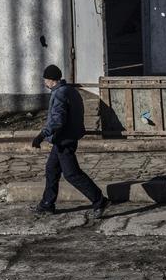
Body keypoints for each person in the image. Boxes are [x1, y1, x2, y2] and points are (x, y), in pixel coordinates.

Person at [31, 64, 109, 218]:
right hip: (65, 138)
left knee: (72, 174)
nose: (44, 82)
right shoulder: (70, 90)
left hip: (64, 139)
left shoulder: (60, 93)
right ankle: (47, 204)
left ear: (52, 80)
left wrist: (41, 135)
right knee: (51, 170)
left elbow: (57, 120)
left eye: (45, 79)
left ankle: (99, 200)